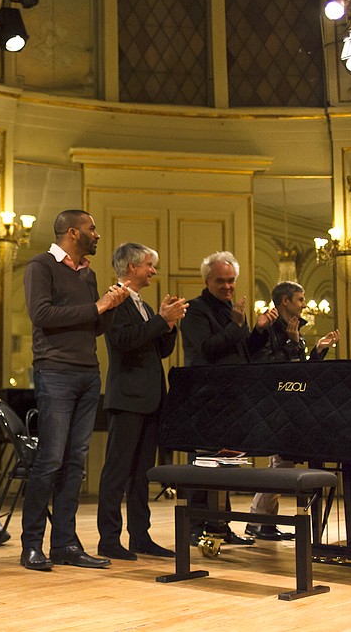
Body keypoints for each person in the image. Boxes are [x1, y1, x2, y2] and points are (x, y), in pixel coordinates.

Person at [20, 209, 128, 572]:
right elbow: (42, 315)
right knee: (50, 459)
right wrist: (97, 305)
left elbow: (93, 326)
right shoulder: (41, 266)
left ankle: (65, 543)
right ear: (72, 233)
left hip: (87, 373)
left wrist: (111, 306)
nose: (97, 234)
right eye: (91, 229)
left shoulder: (89, 273)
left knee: (76, 462)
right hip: (55, 372)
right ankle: (32, 544)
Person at [179, 250, 275, 546]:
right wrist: (235, 325)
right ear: (207, 281)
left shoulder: (232, 309)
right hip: (206, 399)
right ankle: (196, 527)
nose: (228, 287)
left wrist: (258, 331)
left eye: (231, 281)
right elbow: (206, 350)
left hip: (233, 399)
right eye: (221, 281)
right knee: (204, 464)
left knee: (228, 466)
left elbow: (242, 352)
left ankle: (220, 526)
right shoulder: (195, 310)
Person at [97, 243, 185, 561]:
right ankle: (108, 540)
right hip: (127, 400)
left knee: (141, 474)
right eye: (149, 265)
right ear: (131, 267)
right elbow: (125, 342)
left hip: (149, 399)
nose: (153, 271)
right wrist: (161, 319)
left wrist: (169, 325)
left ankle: (140, 536)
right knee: (117, 473)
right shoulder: (115, 299)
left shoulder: (143, 306)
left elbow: (159, 350)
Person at [245, 280, 339, 541]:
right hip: (271, 403)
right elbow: (270, 367)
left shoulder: (294, 330)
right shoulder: (267, 329)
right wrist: (291, 341)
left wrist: (318, 350)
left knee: (281, 462)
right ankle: (258, 521)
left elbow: (301, 370)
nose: (304, 303)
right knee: (281, 462)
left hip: (289, 404)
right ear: (285, 301)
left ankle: (261, 521)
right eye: (300, 299)